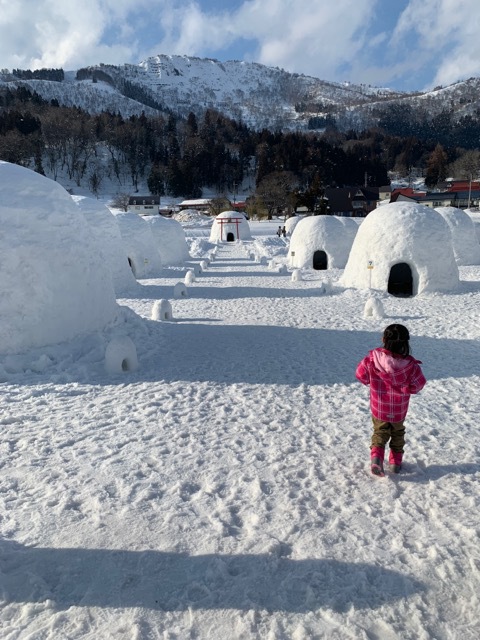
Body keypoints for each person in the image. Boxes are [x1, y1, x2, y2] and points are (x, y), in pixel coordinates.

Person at [355, 324, 426, 477]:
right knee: (398, 434)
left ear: (383, 339)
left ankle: (376, 459)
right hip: (399, 410)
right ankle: (395, 464)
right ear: (406, 343)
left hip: (379, 408)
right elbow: (419, 384)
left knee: (380, 432)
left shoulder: (372, 360)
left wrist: (371, 380)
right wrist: (408, 389)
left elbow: (360, 375)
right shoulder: (411, 367)